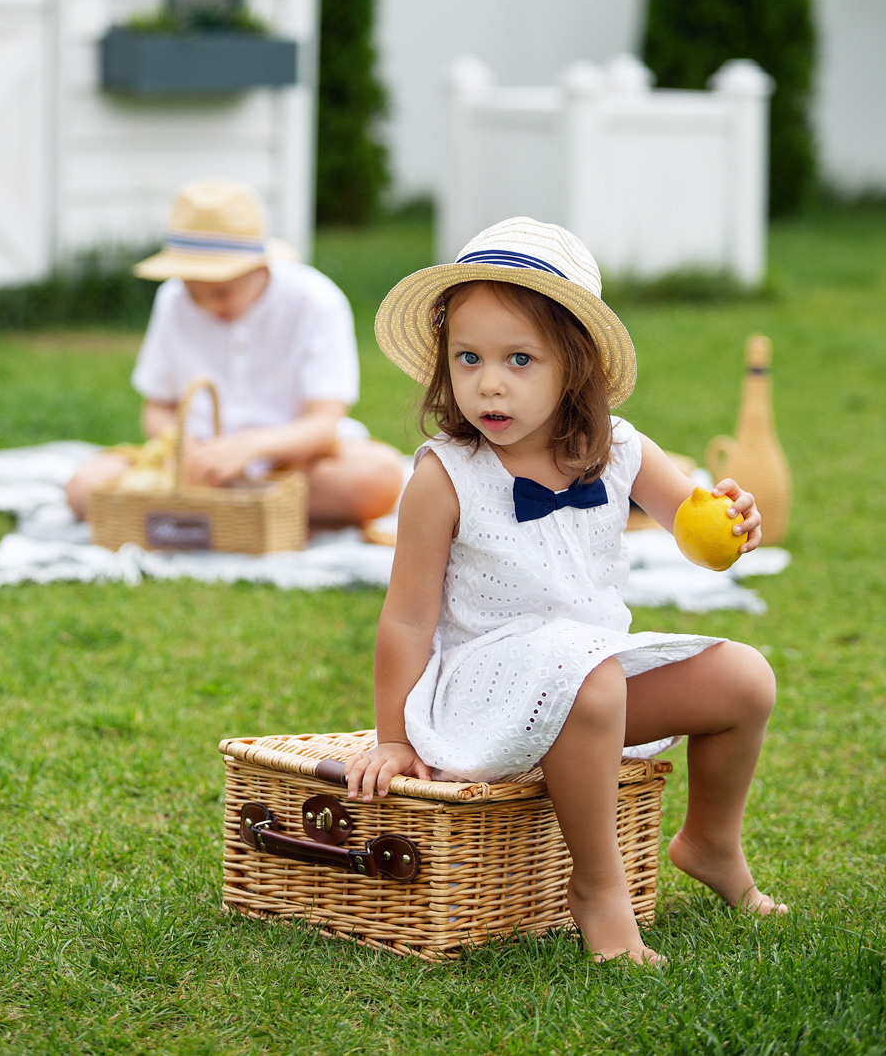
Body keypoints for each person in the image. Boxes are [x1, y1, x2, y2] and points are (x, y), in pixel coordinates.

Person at [344, 216, 785, 966]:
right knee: (592, 679)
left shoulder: (619, 450)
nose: (490, 381)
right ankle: (600, 887)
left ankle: (710, 843)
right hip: (484, 687)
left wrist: (729, 526)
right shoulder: (443, 476)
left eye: (521, 359)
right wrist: (393, 736)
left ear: (574, 368)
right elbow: (409, 618)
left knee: (745, 679)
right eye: (469, 357)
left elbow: (693, 527)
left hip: (591, 676)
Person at [65, 178, 405, 529]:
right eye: (194, 293)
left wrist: (251, 448)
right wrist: (186, 448)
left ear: (260, 267)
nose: (207, 306)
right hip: (193, 467)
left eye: (221, 293)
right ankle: (250, 512)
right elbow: (157, 407)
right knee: (83, 488)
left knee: (378, 476)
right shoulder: (172, 299)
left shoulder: (316, 301)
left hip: (294, 464)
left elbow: (323, 422)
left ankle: (201, 512)